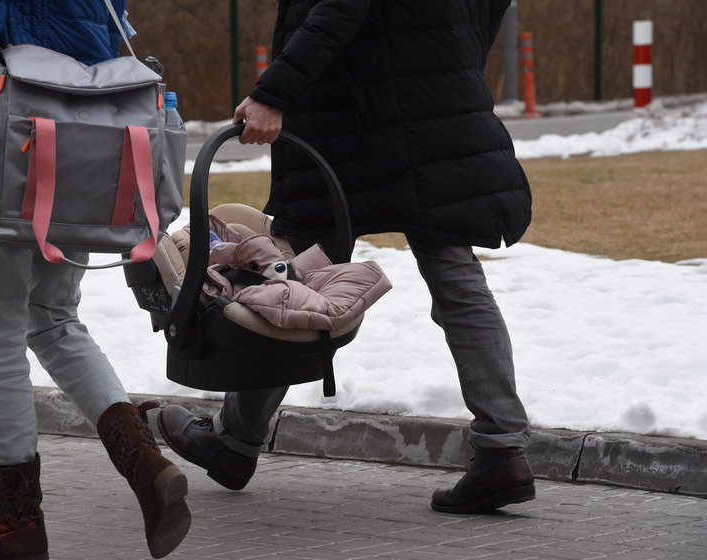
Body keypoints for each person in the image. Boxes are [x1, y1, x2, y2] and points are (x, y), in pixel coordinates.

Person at [157, 0, 536, 514]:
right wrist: (444, 68)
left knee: (294, 281)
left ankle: (234, 442)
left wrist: (273, 93)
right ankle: (503, 450)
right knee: (457, 281)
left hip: (349, 127)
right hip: (435, 116)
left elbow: (338, 11)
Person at [0, 1, 190, 558]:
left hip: (5, 132)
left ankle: (14, 527)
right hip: (82, 140)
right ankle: (146, 466)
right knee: (54, 319)